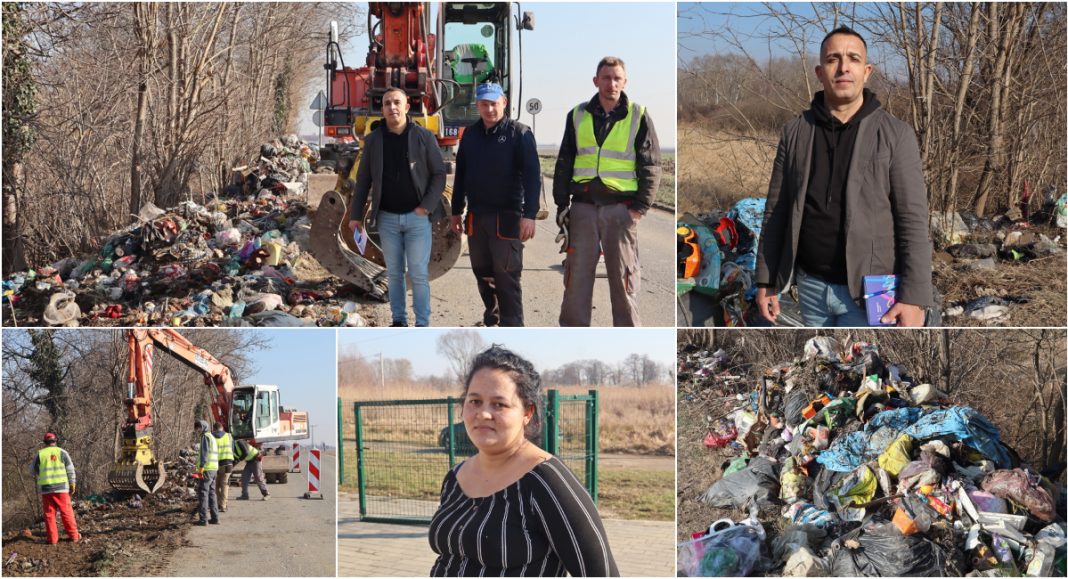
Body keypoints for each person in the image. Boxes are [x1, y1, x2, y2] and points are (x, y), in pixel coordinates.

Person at [754, 26, 933, 327]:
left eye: (853, 58)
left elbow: (912, 219)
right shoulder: (796, 132)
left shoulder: (895, 135)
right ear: (820, 72)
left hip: (872, 292)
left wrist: (914, 297)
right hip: (809, 287)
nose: (843, 67)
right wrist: (767, 280)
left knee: (864, 364)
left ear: (867, 71)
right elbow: (777, 210)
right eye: (833, 59)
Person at [428, 346, 618, 576]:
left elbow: (601, 572)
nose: (483, 414)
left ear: (527, 412)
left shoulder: (546, 480)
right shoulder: (455, 477)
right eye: (475, 401)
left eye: (499, 404)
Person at [554, 56, 662, 327]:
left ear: (625, 81)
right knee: (576, 279)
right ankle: (573, 332)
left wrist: (638, 209)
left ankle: (627, 335)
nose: (611, 83)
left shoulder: (638, 115)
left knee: (623, 279)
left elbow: (651, 165)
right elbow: (565, 160)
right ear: (596, 80)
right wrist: (561, 204)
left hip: (620, 209)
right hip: (583, 208)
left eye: (617, 78)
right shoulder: (577, 114)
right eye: (606, 77)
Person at [349, 86, 447, 327]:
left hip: (417, 219)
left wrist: (426, 207)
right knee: (394, 274)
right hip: (387, 219)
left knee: (418, 273)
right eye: (386, 103)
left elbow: (439, 173)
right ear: (382, 109)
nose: (392, 107)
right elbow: (363, 180)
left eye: (396, 102)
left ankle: (422, 323)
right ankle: (399, 320)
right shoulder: (373, 141)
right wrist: (355, 215)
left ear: (406, 107)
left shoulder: (424, 137)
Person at [450, 82, 541, 327]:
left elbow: (533, 178)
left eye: (494, 103)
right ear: (477, 105)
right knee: (483, 274)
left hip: (507, 218)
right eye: (484, 104)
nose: (489, 109)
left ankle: (513, 327)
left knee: (507, 277)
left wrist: (529, 215)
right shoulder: (470, 135)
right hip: (477, 217)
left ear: (504, 102)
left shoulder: (519, 134)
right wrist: (456, 210)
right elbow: (461, 175)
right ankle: (493, 320)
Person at [31, 432, 80, 544]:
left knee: (49, 514)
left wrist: (41, 472)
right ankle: (74, 536)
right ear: (55, 441)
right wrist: (72, 483)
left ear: (45, 443)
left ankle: (52, 539)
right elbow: (70, 469)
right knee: (66, 512)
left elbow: (32, 470)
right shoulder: (62, 452)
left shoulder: (40, 454)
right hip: (62, 488)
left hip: (46, 489)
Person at [193, 420, 219, 525]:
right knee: (212, 493)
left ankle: (203, 519)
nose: (198, 430)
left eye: (199, 427)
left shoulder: (205, 437)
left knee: (203, 493)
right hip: (214, 469)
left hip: (207, 469)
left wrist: (201, 468)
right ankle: (215, 518)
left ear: (203, 427)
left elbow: (204, 453)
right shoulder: (212, 437)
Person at [212, 423, 234, 512]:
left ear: (214, 429)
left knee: (216, 485)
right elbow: (232, 449)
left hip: (216, 464)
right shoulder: (229, 436)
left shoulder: (211, 436)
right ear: (222, 428)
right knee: (225, 484)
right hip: (228, 463)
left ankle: (218, 503)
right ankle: (223, 505)